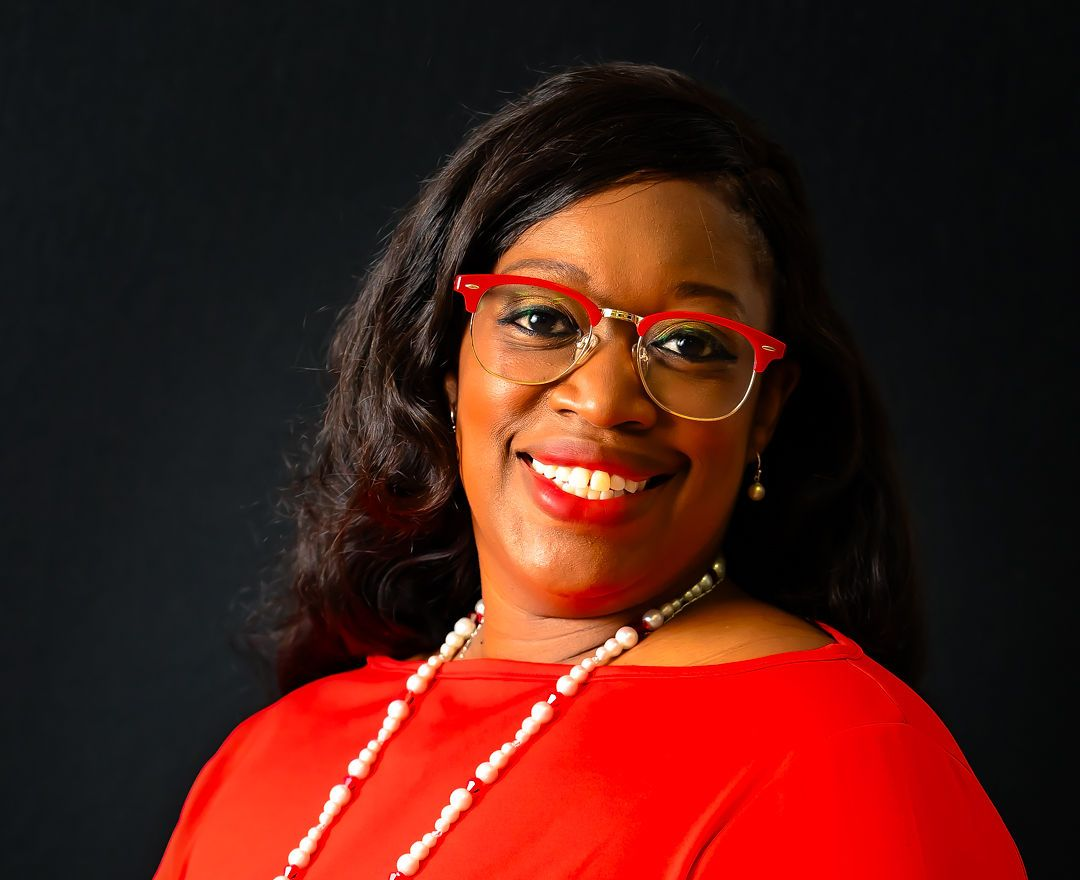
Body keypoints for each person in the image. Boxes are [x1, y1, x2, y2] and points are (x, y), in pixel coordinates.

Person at [153, 62, 1026, 878]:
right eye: (541, 318)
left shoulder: (842, 757)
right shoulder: (270, 755)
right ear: (449, 363)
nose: (606, 400)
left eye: (689, 343)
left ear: (765, 407)